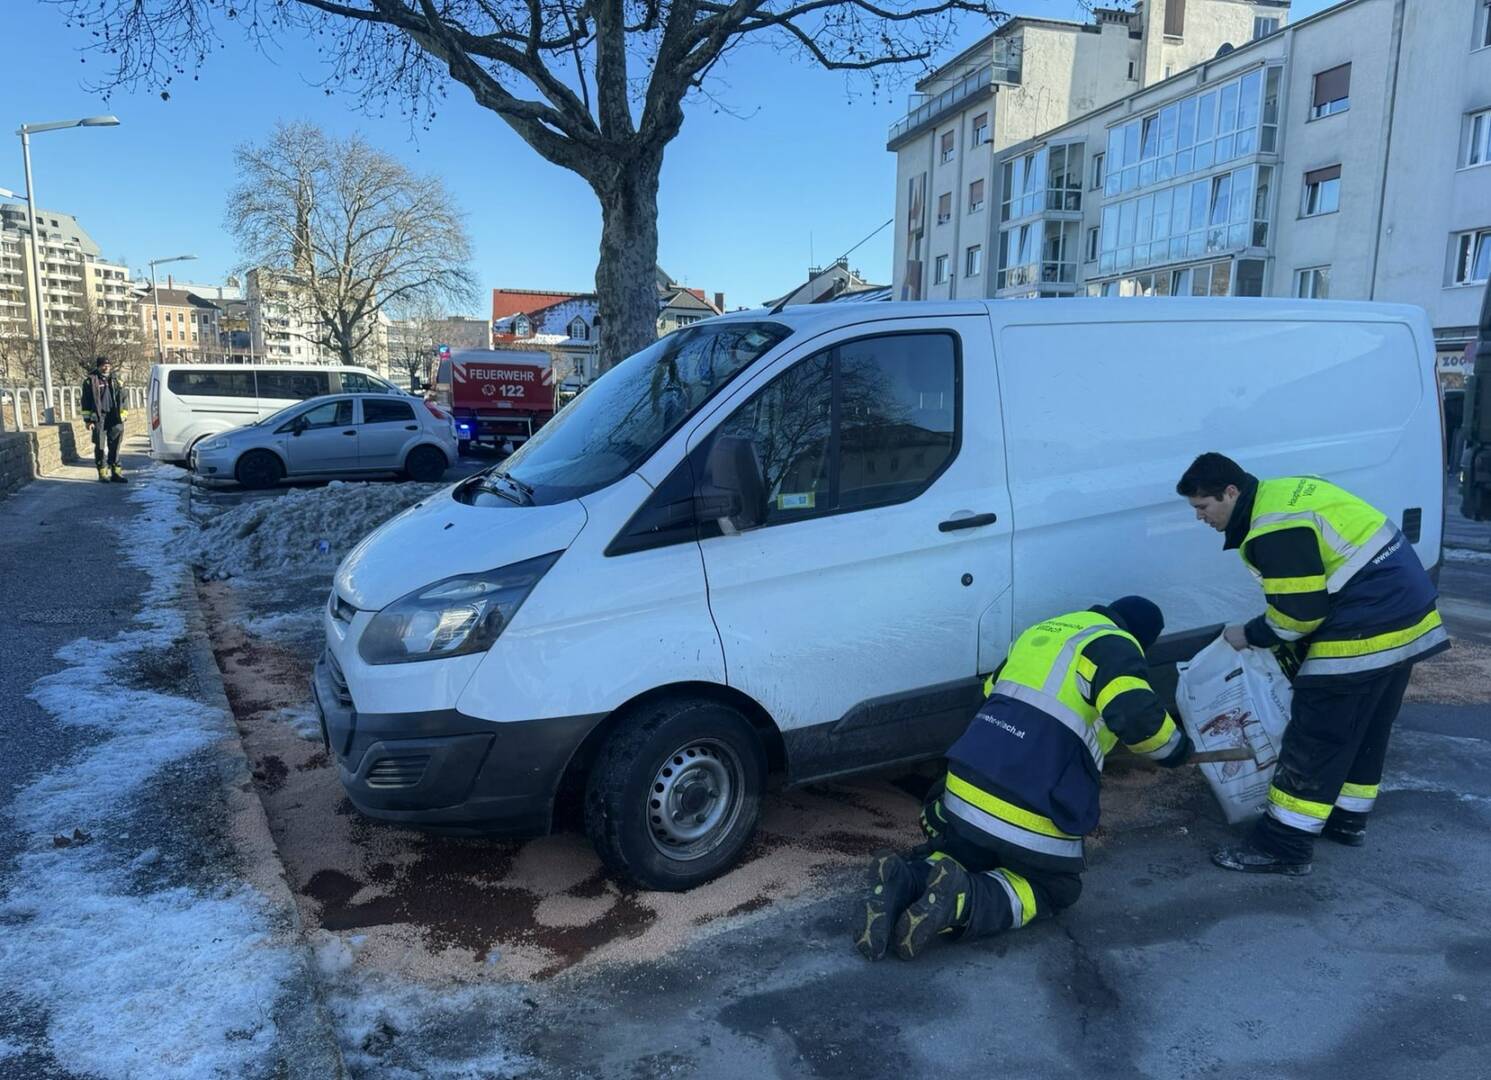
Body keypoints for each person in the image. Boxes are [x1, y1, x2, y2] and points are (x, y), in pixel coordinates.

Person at [853, 596, 1191, 961]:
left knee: (968, 853)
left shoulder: (1040, 634)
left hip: (965, 788)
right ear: (1142, 638)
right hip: (1030, 803)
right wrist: (1175, 750)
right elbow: (1139, 717)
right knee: (1055, 888)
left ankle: (906, 881)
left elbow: (989, 695)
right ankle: (962, 903)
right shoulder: (1117, 647)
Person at [1177, 453, 1448, 875]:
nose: (1200, 518)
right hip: (1405, 613)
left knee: (1317, 733)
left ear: (1231, 493)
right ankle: (1346, 818)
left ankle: (1283, 845)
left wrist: (1248, 634)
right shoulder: (1284, 494)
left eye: (1203, 507)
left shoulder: (1272, 528)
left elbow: (1299, 616)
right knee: (1365, 725)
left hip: (1367, 622)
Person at [81, 355, 128, 483]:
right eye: (103, 365)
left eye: (108, 365)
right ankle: (102, 472)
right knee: (100, 445)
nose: (106, 367)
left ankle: (116, 473)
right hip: (99, 417)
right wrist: (88, 420)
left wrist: (124, 415)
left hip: (115, 417)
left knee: (115, 445)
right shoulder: (90, 381)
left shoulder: (116, 380)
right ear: (98, 366)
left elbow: (124, 399)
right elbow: (85, 402)